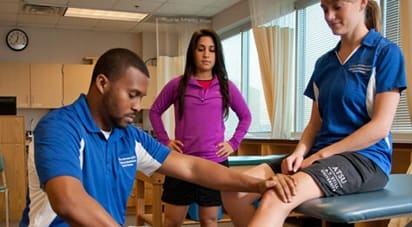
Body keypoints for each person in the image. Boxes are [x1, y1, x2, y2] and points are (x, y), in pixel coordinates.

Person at [19, 48, 275, 227]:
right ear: (102, 83)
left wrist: (253, 185)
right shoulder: (59, 127)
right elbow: (68, 201)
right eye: (132, 95)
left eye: (141, 97)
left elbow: (192, 166)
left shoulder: (130, 138)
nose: (137, 105)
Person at [221, 0, 407, 226]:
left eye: (337, 7)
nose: (329, 16)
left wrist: (320, 156)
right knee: (234, 191)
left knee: (278, 196)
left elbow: (380, 127)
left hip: (366, 159)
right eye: (324, 9)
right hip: (320, 155)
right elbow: (314, 125)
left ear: (362, 3)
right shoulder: (324, 63)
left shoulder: (385, 53)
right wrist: (299, 153)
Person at [149, 28, 251, 227]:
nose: (206, 54)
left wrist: (233, 143)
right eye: (201, 49)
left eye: (211, 50)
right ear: (192, 53)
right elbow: (154, 112)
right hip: (181, 164)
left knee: (210, 220)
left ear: (217, 54)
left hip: (214, 164)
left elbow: (246, 116)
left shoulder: (226, 86)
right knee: (171, 221)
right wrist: (165, 141)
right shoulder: (177, 85)